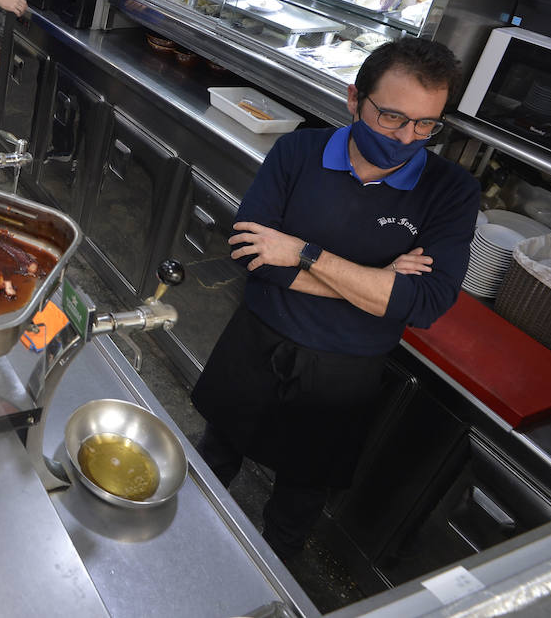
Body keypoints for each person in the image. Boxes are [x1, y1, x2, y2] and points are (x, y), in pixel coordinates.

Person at [191, 38, 479, 561]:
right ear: (354, 99)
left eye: (425, 125)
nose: (407, 136)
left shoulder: (451, 190)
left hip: (346, 374)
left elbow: (425, 305)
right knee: (214, 457)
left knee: (297, 502)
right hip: (257, 340)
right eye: (391, 117)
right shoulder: (299, 151)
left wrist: (304, 253)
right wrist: (377, 280)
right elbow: (250, 258)